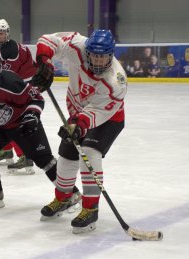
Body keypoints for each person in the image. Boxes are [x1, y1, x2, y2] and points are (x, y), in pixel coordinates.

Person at [0, 48, 81, 210]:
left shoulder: (11, 82)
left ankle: (71, 193)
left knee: (44, 160)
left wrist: (31, 116)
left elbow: (36, 98)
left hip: (24, 124)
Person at [32, 30, 127, 234]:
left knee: (89, 154)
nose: (98, 60)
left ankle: (90, 208)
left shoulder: (115, 82)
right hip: (77, 113)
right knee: (66, 156)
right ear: (88, 51)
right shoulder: (78, 45)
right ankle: (64, 198)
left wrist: (78, 124)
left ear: (111, 55)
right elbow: (48, 39)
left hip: (107, 119)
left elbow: (97, 112)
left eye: (103, 56)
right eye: (94, 55)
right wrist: (44, 61)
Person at [0, 19, 37, 174]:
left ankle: (25, 157)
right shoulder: (0, 48)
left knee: (11, 123)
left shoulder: (11, 49)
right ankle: (7, 151)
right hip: (16, 87)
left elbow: (9, 75)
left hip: (22, 90)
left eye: (2, 33)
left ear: (7, 33)